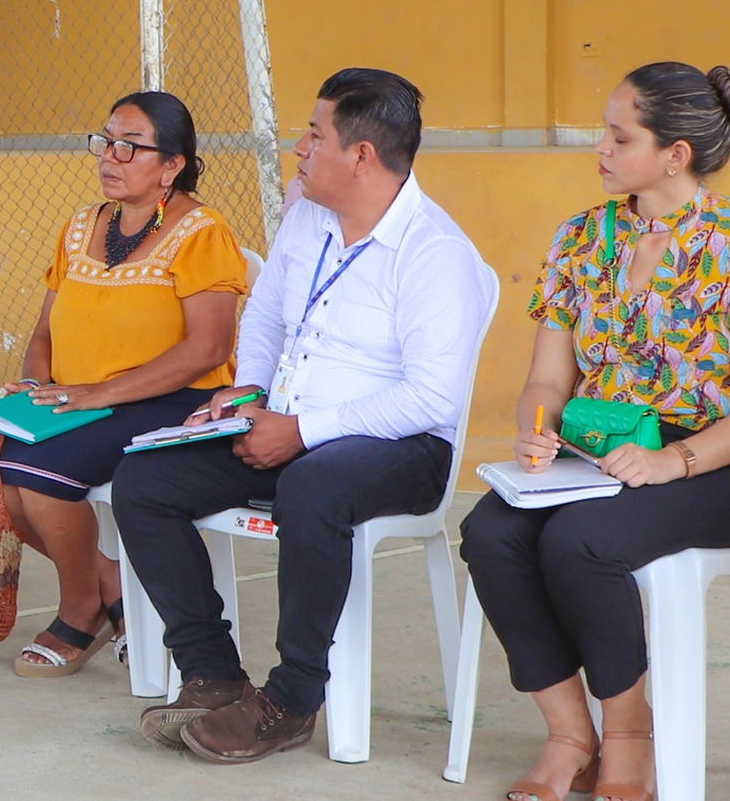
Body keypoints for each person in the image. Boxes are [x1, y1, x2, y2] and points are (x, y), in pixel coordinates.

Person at [113, 67, 489, 762]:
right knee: (144, 478)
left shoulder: (434, 253)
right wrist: (249, 393)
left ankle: (290, 702)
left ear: (362, 156)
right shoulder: (308, 214)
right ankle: (212, 675)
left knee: (313, 487)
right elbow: (264, 316)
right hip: (283, 426)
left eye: (315, 135)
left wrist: (302, 432)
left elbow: (431, 397)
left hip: (398, 446)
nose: (299, 147)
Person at [461, 63, 730, 801]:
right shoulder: (582, 237)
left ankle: (630, 733)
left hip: (712, 464)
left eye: (620, 136)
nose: (600, 149)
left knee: (579, 541)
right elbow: (548, 380)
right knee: (490, 532)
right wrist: (537, 433)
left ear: (675, 154)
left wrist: (673, 460)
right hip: (594, 453)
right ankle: (569, 732)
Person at [0, 92, 250, 677]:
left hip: (173, 401)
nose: (109, 157)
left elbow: (209, 348)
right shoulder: (81, 225)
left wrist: (99, 394)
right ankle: (110, 586)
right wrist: (34, 384)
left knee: (40, 473)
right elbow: (44, 331)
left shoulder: (202, 232)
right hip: (80, 399)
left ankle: (79, 610)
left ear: (172, 165)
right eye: (105, 142)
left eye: (130, 147)